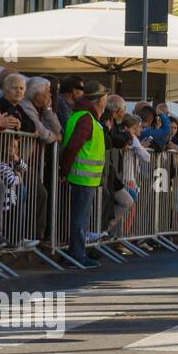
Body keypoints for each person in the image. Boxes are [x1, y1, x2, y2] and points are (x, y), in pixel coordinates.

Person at [59, 81, 109, 269]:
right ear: (100, 100)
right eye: (104, 98)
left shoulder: (84, 116)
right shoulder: (87, 118)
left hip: (83, 177)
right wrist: (65, 170)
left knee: (79, 218)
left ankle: (76, 253)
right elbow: (73, 146)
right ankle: (77, 255)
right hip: (82, 177)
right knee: (80, 218)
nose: (106, 102)